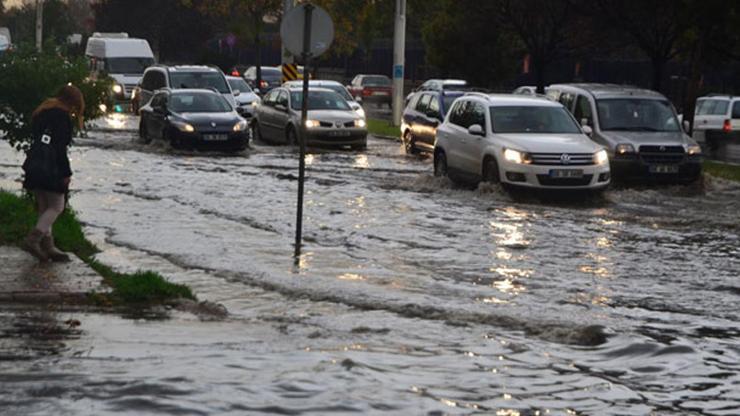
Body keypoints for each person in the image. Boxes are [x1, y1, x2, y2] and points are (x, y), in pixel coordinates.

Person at [21, 85, 85, 262]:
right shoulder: (62, 117)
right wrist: (66, 172)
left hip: (35, 163)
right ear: (72, 103)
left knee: (44, 206)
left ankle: (48, 245)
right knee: (57, 206)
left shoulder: (42, 111)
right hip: (51, 168)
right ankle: (34, 239)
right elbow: (59, 148)